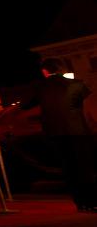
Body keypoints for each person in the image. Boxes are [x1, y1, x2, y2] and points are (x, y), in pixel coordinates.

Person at [35, 59, 95, 211]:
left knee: (69, 169)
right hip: (78, 132)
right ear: (60, 70)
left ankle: (80, 202)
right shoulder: (76, 84)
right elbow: (83, 99)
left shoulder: (40, 87)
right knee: (85, 166)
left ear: (44, 72)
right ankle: (92, 200)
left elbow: (26, 105)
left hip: (56, 133)